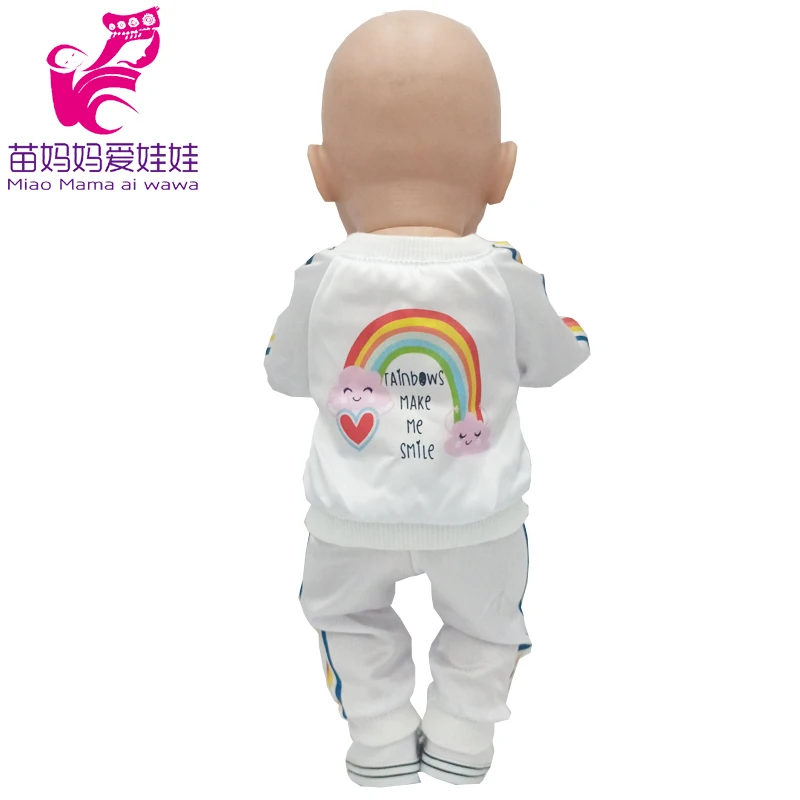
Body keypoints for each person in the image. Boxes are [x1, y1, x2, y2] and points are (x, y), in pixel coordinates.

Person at [265, 11, 590, 786]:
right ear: (501, 172)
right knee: (490, 625)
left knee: (342, 615)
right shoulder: (504, 274)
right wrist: (573, 336)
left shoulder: (321, 276)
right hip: (479, 516)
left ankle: (379, 736)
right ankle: (461, 737)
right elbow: (555, 360)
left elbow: (282, 372)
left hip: (350, 519)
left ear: (321, 173)